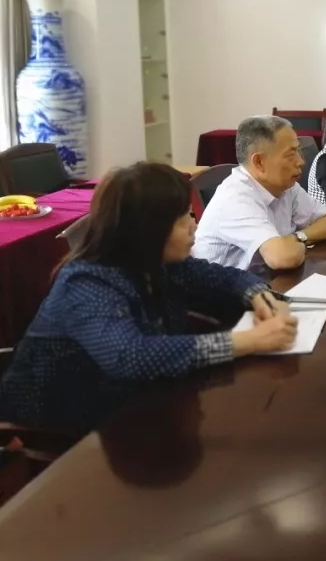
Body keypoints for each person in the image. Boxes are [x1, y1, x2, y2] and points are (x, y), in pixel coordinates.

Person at [0, 163, 299, 437]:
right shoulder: (86, 282)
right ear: (149, 229)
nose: (195, 226)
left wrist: (257, 294)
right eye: (184, 219)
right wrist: (249, 341)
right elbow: (131, 356)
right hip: (58, 429)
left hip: (134, 408)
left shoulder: (157, 261)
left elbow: (221, 278)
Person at [193, 115, 326, 269]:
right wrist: (289, 245)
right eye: (291, 154)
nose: (301, 161)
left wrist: (298, 238)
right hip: (225, 284)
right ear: (259, 162)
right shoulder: (235, 198)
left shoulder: (285, 185)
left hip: (264, 278)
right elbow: (283, 258)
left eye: (298, 150)